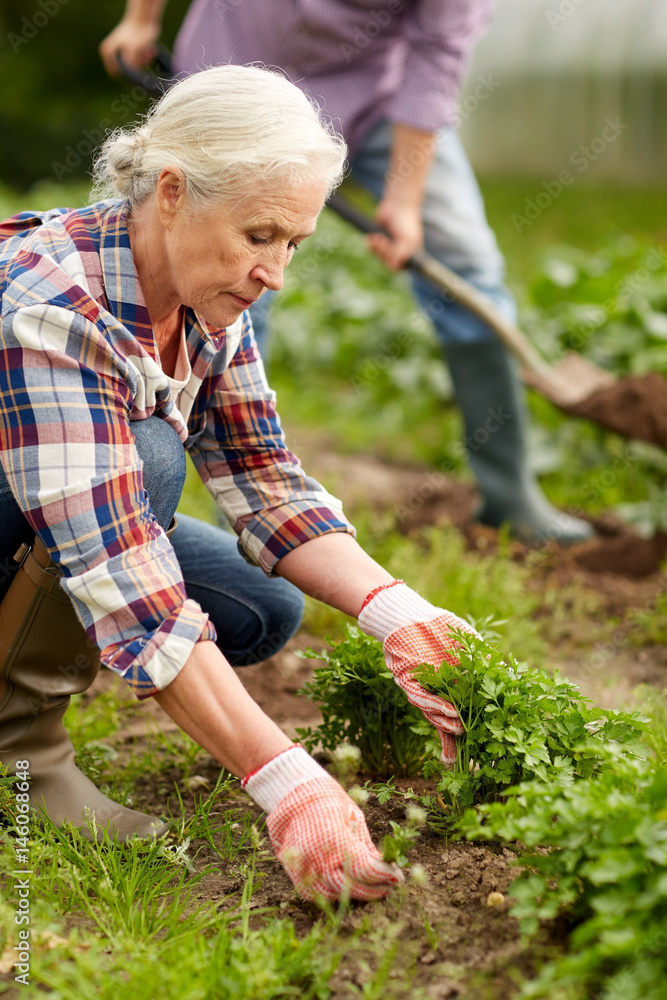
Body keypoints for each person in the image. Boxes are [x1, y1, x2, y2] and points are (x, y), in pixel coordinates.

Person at [1, 64, 482, 903]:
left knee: (261, 611)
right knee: (150, 458)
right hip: (39, 504)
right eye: (260, 236)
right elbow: (123, 573)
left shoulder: (204, 294)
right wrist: (287, 782)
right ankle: (18, 755)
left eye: (293, 243)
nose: (276, 273)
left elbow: (265, 479)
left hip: (46, 503)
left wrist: (402, 616)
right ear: (174, 193)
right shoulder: (51, 303)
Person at [100, 0, 593, 547]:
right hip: (237, 79)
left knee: (466, 261)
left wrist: (406, 198)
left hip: (375, 96)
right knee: (233, 273)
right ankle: (243, 525)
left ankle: (511, 493)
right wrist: (142, 18)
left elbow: (438, 53)